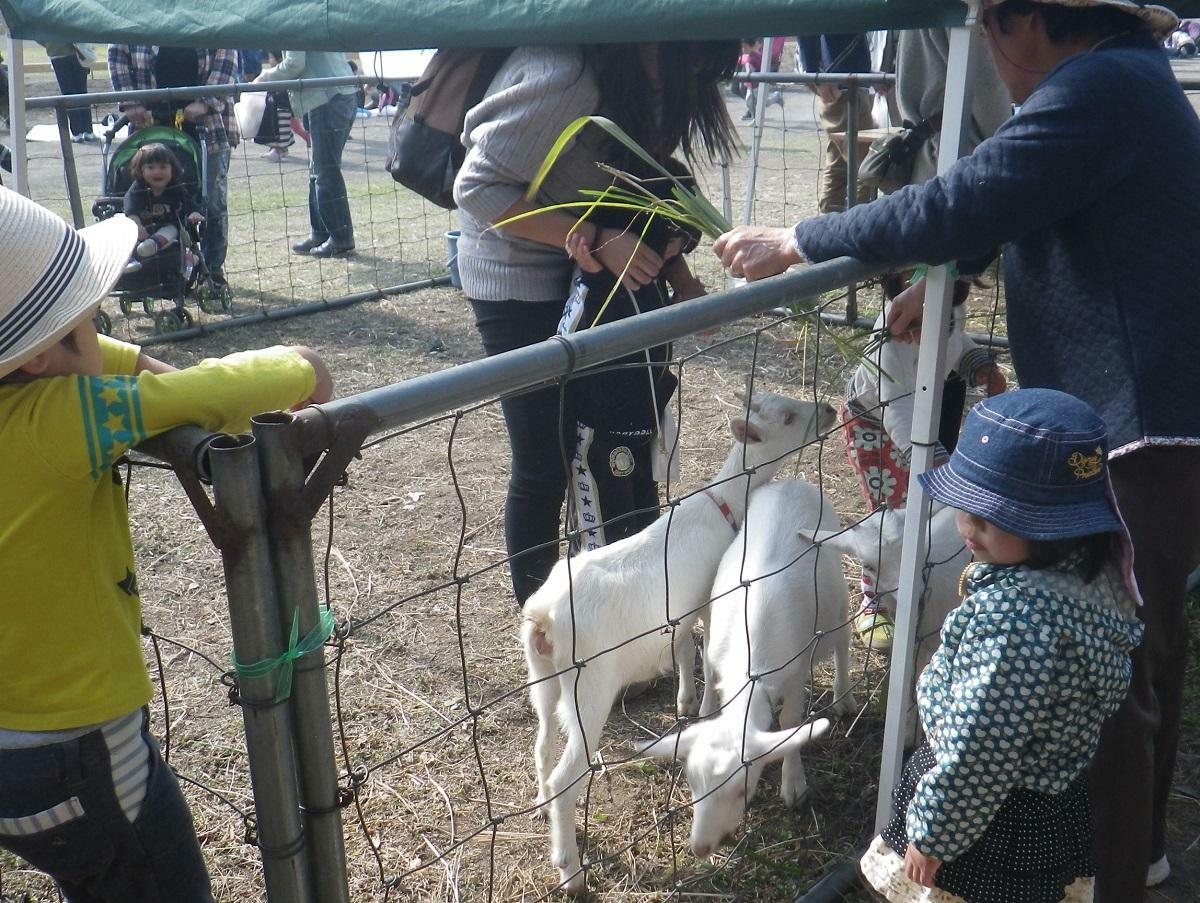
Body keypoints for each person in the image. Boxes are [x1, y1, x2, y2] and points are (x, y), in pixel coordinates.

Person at [714, 1, 1198, 897]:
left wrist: (801, 239)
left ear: (1022, 24)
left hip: (1136, 430)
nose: (989, 59)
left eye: (983, 34)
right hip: (1148, 419)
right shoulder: (1129, 80)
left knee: (1120, 666)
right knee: (1140, 647)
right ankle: (1133, 858)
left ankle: (1119, 874)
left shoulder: (1094, 87)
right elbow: (1029, 202)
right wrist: (956, 275)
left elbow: (962, 196)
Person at [0, 187, 333, 902]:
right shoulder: (61, 416)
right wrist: (304, 365)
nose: (102, 334)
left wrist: (97, 347)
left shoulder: (37, 394)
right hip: (82, 753)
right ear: (42, 358)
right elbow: (200, 394)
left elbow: (99, 362)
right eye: (88, 323)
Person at [454, 41, 737, 604]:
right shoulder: (566, 73)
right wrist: (594, 235)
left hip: (587, 276)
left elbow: (643, 190)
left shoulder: (643, 78)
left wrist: (675, 267)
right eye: (698, 57)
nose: (697, 73)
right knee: (543, 460)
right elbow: (478, 188)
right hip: (518, 276)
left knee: (605, 444)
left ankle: (614, 613)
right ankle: (543, 627)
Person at [859, 388, 1143, 902]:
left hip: (986, 825)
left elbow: (981, 746)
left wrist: (935, 834)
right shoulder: (1090, 578)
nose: (969, 525)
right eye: (965, 504)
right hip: (1047, 805)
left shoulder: (1015, 624)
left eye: (995, 515)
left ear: (1054, 526)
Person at [557, 160, 707, 550]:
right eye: (673, 240)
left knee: (644, 530)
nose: (676, 252)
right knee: (603, 541)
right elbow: (564, 337)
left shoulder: (650, 278)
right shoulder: (599, 275)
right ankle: (592, 607)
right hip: (599, 430)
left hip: (644, 422)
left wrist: (691, 302)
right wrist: (589, 277)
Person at [107, 46, 240, 286]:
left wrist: (207, 101)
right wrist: (129, 101)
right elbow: (117, 53)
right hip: (148, 124)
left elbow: (226, 54)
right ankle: (151, 271)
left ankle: (211, 270)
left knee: (211, 202)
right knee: (145, 199)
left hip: (206, 125)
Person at [255, 52, 357, 257]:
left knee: (324, 171)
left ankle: (340, 237)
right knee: (318, 170)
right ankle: (321, 232)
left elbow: (295, 64)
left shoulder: (294, 22)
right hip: (332, 95)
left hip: (326, 98)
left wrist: (265, 77)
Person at [795, 32, 875, 213]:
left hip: (846, 81)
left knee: (839, 163)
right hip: (841, 84)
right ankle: (859, 224)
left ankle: (830, 221)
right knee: (865, 167)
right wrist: (815, 73)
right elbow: (806, 25)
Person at [121, 143, 203, 274]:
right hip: (143, 229)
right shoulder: (138, 188)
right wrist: (137, 226)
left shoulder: (175, 188)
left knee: (171, 230)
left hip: (168, 230)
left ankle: (153, 244)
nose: (157, 172)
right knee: (123, 224)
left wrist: (194, 213)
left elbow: (190, 204)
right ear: (141, 170)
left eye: (163, 167)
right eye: (150, 167)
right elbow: (131, 208)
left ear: (173, 169)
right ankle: (128, 259)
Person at [39, 42, 96, 142]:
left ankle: (77, 132)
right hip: (77, 52)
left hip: (57, 53)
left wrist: (49, 44)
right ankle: (88, 131)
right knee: (82, 92)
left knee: (68, 94)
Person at [253, 51, 296, 163]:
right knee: (276, 129)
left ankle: (279, 149)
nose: (269, 60)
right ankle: (278, 148)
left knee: (281, 130)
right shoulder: (273, 73)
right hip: (274, 107)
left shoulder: (282, 74)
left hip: (282, 107)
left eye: (271, 57)